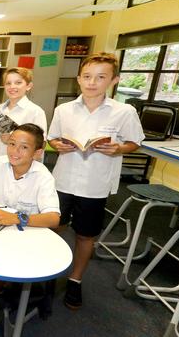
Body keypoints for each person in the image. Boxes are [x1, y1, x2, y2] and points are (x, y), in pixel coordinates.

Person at [47, 52, 144, 310]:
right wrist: (58, 144)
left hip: (95, 184)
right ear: (79, 79)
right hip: (63, 180)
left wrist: (119, 149)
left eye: (100, 77)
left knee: (85, 235)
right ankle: (44, 273)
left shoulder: (124, 111)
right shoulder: (64, 109)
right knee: (53, 227)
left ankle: (75, 280)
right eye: (87, 77)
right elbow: (52, 137)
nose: (92, 82)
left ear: (114, 80)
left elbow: (135, 142)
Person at [0, 123, 61, 330]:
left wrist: (19, 218)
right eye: (12, 144)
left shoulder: (43, 176)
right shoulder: (0, 162)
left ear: (37, 152)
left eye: (24, 147)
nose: (15, 151)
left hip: (24, 232)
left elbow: (54, 218)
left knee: (3, 255)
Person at [0, 67, 47, 162]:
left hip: (21, 165)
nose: (12, 87)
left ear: (28, 86)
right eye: (8, 83)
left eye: (18, 83)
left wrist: (11, 141)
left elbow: (40, 145)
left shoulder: (35, 112)